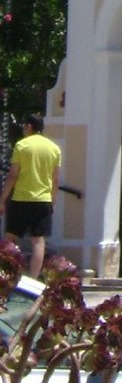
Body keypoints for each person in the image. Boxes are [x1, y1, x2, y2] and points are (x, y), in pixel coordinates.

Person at [0, 114, 61, 278]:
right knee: (38, 240)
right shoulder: (53, 148)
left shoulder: (21, 146)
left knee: (10, 237)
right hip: (43, 200)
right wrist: (53, 199)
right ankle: (33, 278)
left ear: (28, 126)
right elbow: (55, 179)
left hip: (21, 198)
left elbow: (13, 175)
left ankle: (7, 273)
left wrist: (2, 199)